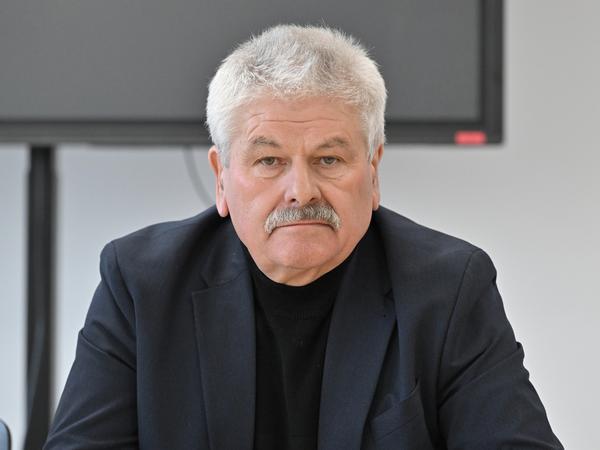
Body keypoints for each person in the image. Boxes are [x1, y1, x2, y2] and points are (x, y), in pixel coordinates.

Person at [45, 25, 562, 449]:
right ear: (221, 178)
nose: (301, 190)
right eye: (269, 160)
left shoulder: (448, 287)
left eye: (329, 159)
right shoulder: (141, 283)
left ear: (373, 170)